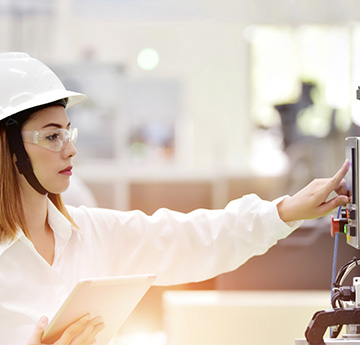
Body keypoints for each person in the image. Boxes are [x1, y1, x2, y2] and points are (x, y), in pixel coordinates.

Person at [0, 52, 350, 345]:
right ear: (8, 147)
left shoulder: (89, 233)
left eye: (67, 132)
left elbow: (192, 238)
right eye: (51, 136)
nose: (71, 149)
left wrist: (286, 210)